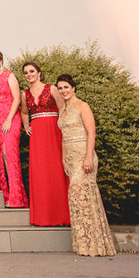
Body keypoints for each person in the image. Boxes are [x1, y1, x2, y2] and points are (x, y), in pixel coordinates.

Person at [55, 74, 117, 256]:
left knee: (80, 193)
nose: (63, 91)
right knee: (76, 198)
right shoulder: (62, 109)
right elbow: (64, 137)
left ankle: (96, 244)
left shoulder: (82, 106)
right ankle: (85, 244)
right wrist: (64, 159)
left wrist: (88, 157)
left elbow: (91, 133)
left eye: (66, 87)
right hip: (71, 157)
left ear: (73, 88)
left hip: (84, 154)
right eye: (60, 88)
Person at [21, 61, 71, 226]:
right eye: (26, 72)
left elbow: (62, 107)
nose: (29, 75)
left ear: (39, 73)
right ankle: (42, 216)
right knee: (40, 170)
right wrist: (27, 125)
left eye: (32, 71)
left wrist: (63, 127)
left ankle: (61, 215)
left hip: (53, 130)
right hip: (37, 134)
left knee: (55, 168)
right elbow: (24, 111)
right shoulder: (25, 94)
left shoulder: (52, 89)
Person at [0, 49, 27, 208]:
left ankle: (17, 198)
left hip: (10, 120)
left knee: (9, 156)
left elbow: (17, 99)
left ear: (1, 60)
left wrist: (9, 119)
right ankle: (7, 196)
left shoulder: (9, 76)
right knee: (0, 160)